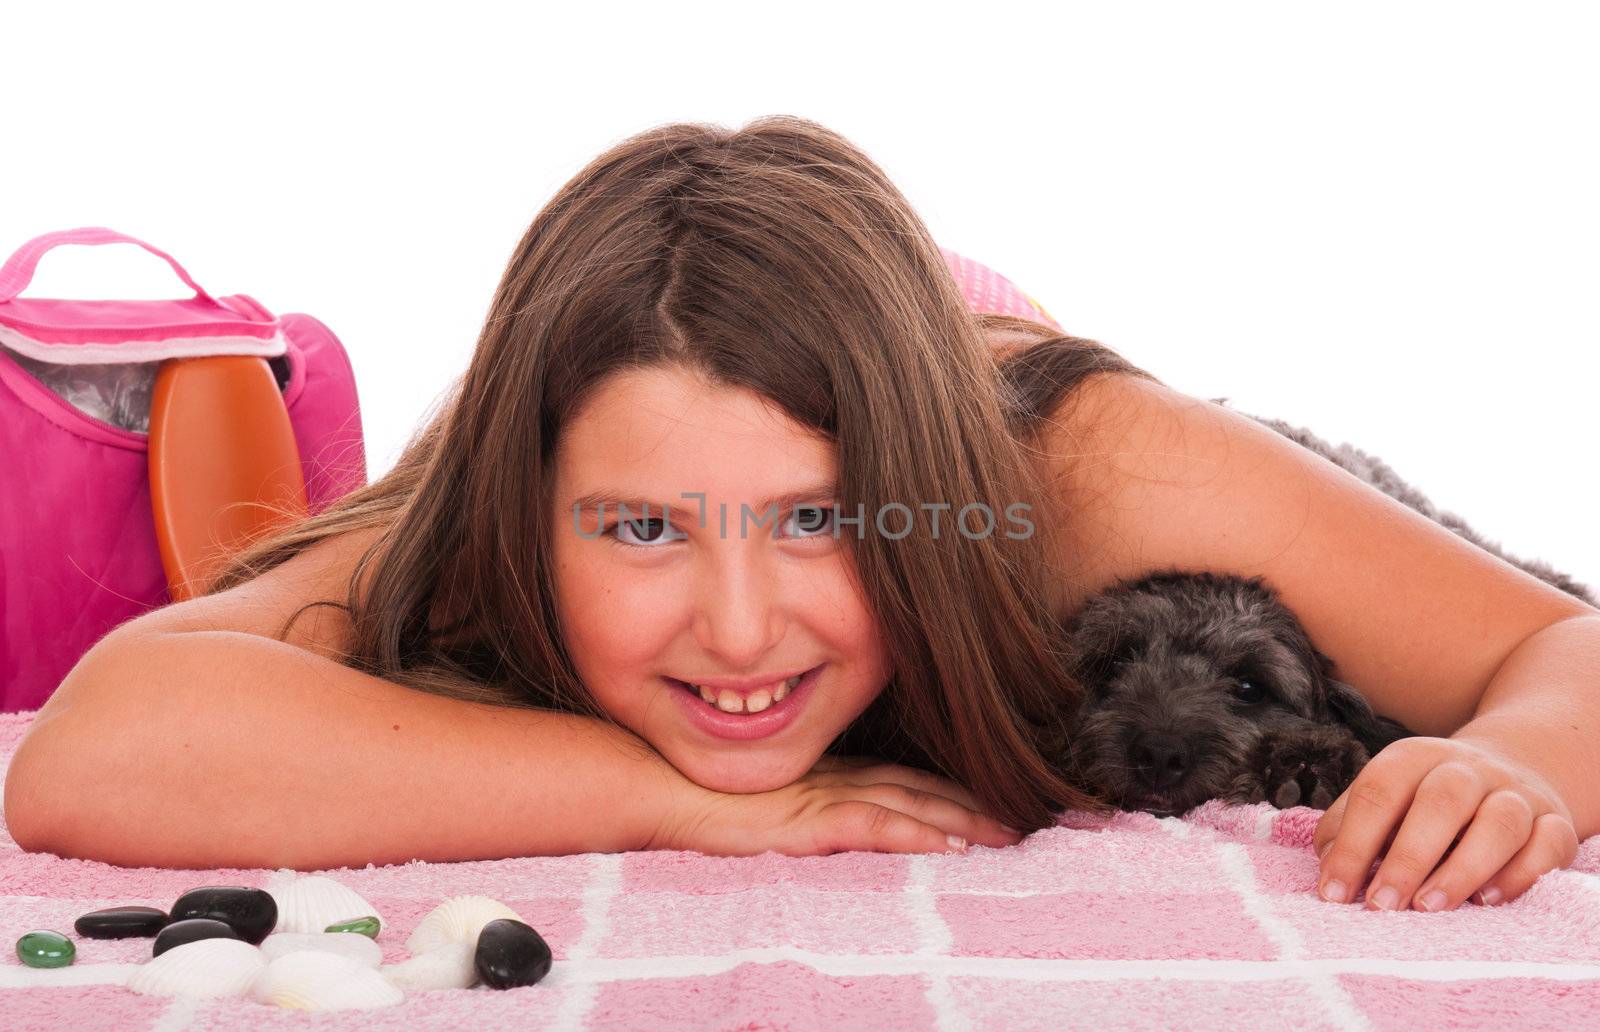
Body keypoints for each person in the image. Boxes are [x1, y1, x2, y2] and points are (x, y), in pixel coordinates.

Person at [6, 117, 1595, 918]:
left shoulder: (1081, 468)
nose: (744, 628)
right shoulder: (496, 521)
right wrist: (686, 801)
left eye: (823, 523)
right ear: (533, 513)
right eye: (638, 534)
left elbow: (1557, 640)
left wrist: (1513, 757)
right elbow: (97, 752)